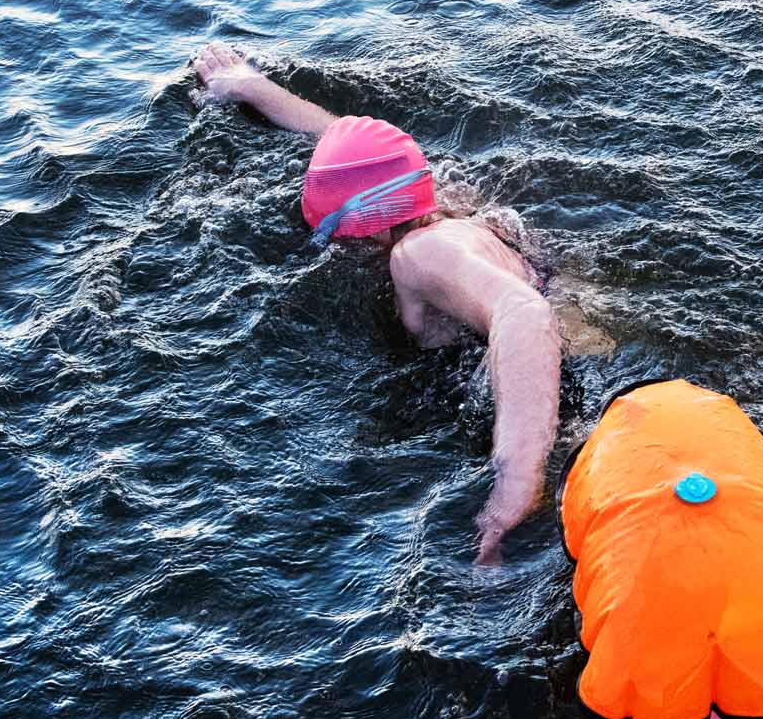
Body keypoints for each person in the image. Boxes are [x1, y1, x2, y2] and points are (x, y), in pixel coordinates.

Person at [190, 42, 560, 565]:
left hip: (561, 395)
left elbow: (525, 316)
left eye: (342, 239)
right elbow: (348, 144)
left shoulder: (418, 252)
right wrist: (248, 87)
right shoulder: (446, 206)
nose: (343, 251)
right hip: (570, 346)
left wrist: (513, 490)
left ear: (373, 230)